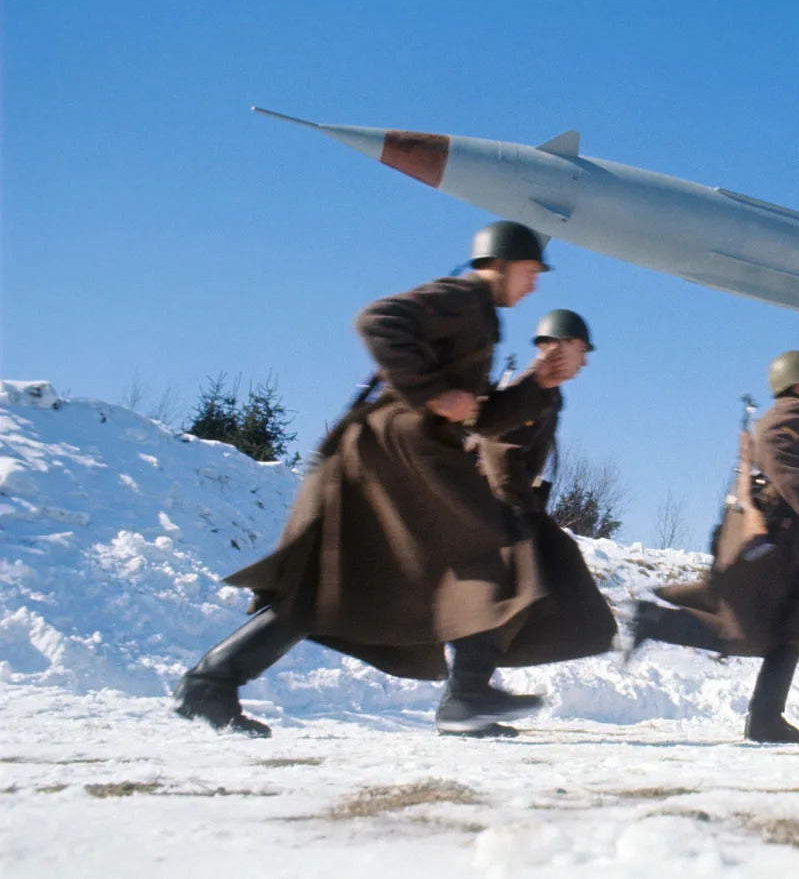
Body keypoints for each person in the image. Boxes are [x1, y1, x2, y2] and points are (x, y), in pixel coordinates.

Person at [173, 220, 580, 738]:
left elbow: (477, 417)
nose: (535, 284)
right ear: (498, 265)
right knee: (489, 549)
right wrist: (432, 392)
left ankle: (210, 683)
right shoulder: (462, 295)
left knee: (332, 586)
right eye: (530, 271)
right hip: (393, 451)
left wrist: (538, 382)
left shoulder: (480, 317)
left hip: (402, 454)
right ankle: (467, 695)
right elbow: (378, 319)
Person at [628, 351, 799, 744]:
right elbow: (778, 456)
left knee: (777, 625)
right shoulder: (795, 412)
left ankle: (765, 718)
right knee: (776, 627)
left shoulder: (778, 414)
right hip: (774, 535)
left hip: (766, 532)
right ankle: (763, 718)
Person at [468, 309, 618, 722]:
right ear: (556, 345)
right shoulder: (527, 388)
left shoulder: (550, 394)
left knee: (519, 600)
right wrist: (518, 515)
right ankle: (466, 694)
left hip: (512, 508)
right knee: (512, 599)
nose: (584, 360)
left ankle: (468, 694)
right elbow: (498, 450)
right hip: (495, 512)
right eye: (580, 349)